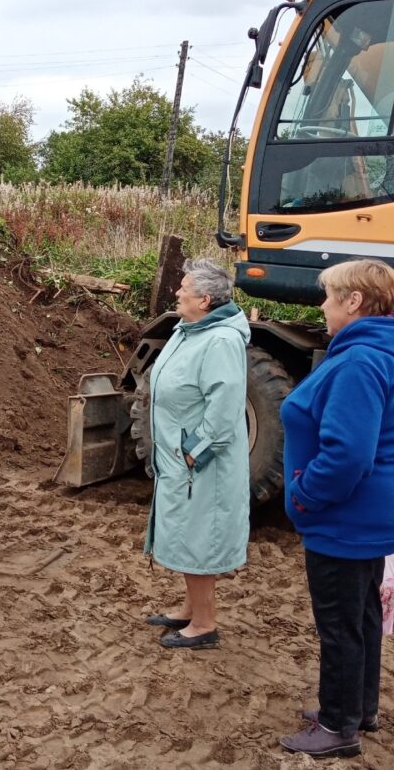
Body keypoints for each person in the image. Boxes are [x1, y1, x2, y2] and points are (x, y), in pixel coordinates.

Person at [278, 258, 394, 758]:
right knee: (362, 613)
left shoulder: (361, 362)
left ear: (354, 301)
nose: (322, 305)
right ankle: (359, 707)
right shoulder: (388, 353)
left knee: (340, 622)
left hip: (350, 513)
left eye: (329, 295)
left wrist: (303, 495)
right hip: (381, 506)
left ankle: (339, 728)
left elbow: (346, 455)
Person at [142, 258, 251, 649]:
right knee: (187, 533)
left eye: (183, 288)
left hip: (200, 463)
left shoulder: (220, 341)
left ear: (204, 299)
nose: (177, 292)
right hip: (180, 456)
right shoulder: (189, 330)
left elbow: (223, 411)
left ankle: (204, 625)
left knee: (199, 538)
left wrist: (193, 452)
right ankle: (190, 608)